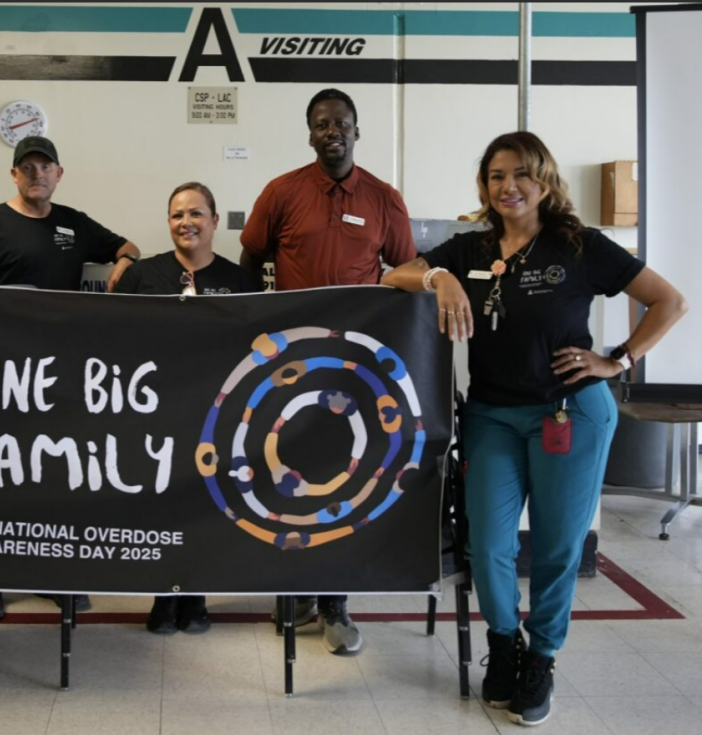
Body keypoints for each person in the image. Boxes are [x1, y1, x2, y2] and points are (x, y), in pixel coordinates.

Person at [382, 131, 687, 726]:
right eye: (496, 175)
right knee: (490, 545)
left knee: (555, 547)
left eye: (521, 173)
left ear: (544, 180)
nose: (508, 186)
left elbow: (669, 302)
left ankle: (542, 657)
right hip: (493, 414)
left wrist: (617, 360)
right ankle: (504, 646)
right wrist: (437, 278)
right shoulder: (469, 250)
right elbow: (395, 275)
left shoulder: (579, 246)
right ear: (484, 185)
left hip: (568, 413)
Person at [239, 87, 417, 656]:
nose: (331, 130)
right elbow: (250, 261)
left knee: (344, 472)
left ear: (357, 131)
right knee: (283, 468)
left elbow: (408, 271)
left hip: (354, 366)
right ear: (310, 133)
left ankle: (336, 601)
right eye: (321, 123)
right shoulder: (282, 192)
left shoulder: (384, 198)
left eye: (341, 122)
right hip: (289, 361)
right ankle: (291, 588)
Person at [0, 135, 141, 621]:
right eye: (27, 167)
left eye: (46, 167)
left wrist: (122, 262)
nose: (37, 174)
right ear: (14, 175)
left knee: (56, 474)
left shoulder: (73, 224)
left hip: (59, 373)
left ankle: (56, 573)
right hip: (0, 372)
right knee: (0, 476)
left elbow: (130, 246)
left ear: (59, 174)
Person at [115, 181, 261, 634]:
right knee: (162, 504)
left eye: (196, 214)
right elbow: (113, 336)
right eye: (177, 215)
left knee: (204, 505)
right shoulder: (144, 275)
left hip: (216, 414)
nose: (186, 223)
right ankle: (162, 596)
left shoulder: (239, 280)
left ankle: (195, 597)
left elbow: (256, 343)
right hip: (156, 411)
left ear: (215, 221)